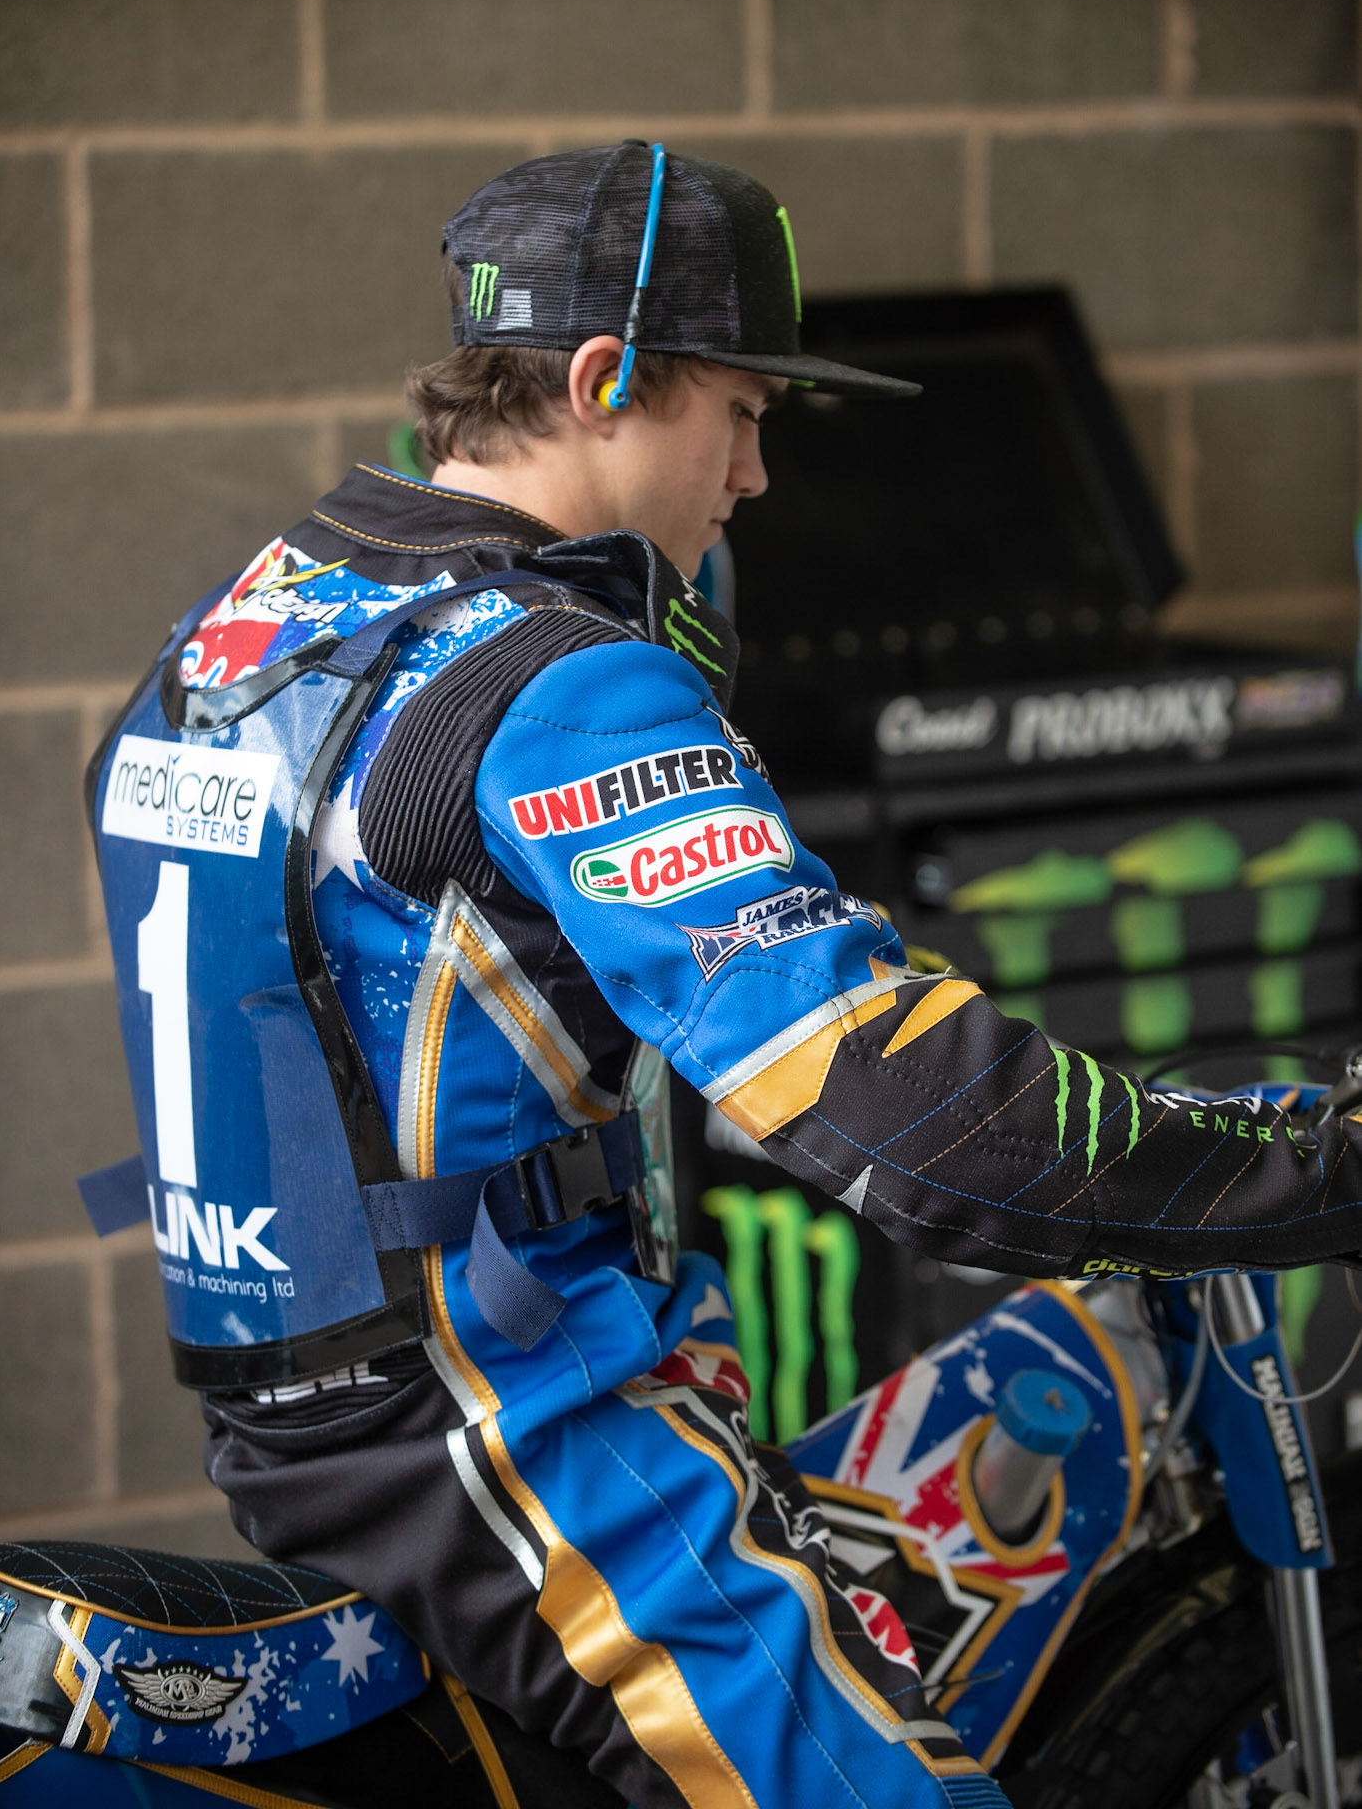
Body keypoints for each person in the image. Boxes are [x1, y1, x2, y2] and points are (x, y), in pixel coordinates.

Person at [89, 142, 1362, 1809]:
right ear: (602, 381)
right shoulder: (560, 689)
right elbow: (906, 1113)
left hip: (300, 1410)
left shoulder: (248, 624)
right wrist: (1306, 1166)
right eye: (743, 413)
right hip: (525, 1423)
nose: (756, 474)